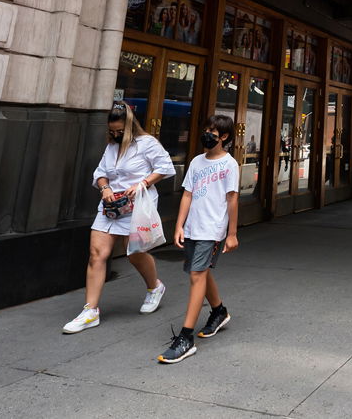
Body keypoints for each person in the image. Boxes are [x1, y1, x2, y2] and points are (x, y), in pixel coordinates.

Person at [63, 102, 176, 334]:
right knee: (97, 253)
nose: (115, 135)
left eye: (119, 132)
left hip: (137, 204)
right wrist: (104, 188)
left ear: (130, 126)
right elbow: (101, 173)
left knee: (134, 252)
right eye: (111, 132)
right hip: (111, 206)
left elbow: (165, 167)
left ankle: (155, 287)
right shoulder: (111, 147)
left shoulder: (147, 144)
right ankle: (90, 311)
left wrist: (142, 183)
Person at [159, 115, 240, 364]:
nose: (207, 134)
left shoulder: (229, 165)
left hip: (212, 229)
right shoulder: (196, 162)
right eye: (206, 129)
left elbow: (232, 199)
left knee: (197, 276)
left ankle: (186, 338)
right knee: (201, 272)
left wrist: (232, 233)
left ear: (224, 137)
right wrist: (179, 226)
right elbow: (187, 194)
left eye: (212, 131)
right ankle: (219, 311)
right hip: (193, 227)